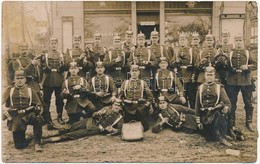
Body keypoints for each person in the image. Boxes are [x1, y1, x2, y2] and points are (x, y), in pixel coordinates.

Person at [41, 99, 124, 144]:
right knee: (71, 127)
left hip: (94, 128)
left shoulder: (119, 118)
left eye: (118, 106)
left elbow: (120, 130)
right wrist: (98, 113)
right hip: (89, 121)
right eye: (115, 105)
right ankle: (48, 135)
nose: (116, 107)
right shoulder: (106, 109)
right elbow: (94, 114)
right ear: (112, 105)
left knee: (71, 135)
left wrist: (113, 130)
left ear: (120, 108)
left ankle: (48, 141)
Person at [2, 70, 44, 152]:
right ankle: (26, 139)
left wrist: (37, 109)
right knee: (19, 146)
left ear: (25, 79)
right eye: (17, 78)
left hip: (29, 114)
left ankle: (37, 143)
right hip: (16, 116)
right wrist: (5, 112)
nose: (20, 80)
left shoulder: (30, 90)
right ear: (14, 79)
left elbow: (38, 104)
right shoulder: (10, 90)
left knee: (38, 119)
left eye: (22, 78)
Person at [225, 33, 257, 132]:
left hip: (246, 81)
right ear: (234, 42)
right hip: (232, 81)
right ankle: (231, 122)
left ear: (243, 42)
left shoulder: (247, 53)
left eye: (240, 41)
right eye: (237, 41)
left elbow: (256, 65)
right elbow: (227, 67)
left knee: (248, 102)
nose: (238, 43)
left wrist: (248, 67)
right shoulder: (230, 53)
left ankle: (249, 122)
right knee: (232, 102)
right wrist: (232, 69)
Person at [195, 66, 232, 147]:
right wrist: (198, 121)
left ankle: (222, 138)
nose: (209, 77)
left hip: (215, 112)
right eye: (207, 75)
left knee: (218, 115)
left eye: (211, 75)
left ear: (214, 76)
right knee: (209, 138)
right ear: (204, 75)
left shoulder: (219, 87)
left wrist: (226, 108)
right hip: (205, 115)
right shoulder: (200, 88)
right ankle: (220, 135)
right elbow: (197, 106)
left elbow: (227, 103)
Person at [41, 37, 67, 129]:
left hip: (58, 78)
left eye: (55, 43)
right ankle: (46, 118)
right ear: (49, 44)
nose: (53, 45)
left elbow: (65, 67)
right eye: (52, 43)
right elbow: (42, 67)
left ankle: (59, 116)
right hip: (48, 78)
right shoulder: (46, 55)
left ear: (57, 44)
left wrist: (63, 69)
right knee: (46, 99)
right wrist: (44, 68)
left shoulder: (61, 55)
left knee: (59, 99)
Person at [119, 64, 153, 131]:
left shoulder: (143, 83)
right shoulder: (125, 83)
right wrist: (124, 104)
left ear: (139, 72)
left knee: (145, 127)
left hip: (140, 107)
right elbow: (120, 96)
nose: (134, 72)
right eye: (132, 71)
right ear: (130, 72)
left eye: (136, 71)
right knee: (127, 126)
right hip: (128, 108)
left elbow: (150, 96)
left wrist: (146, 105)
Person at [172, 32, 197, 108]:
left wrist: (193, 76)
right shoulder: (176, 51)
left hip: (189, 78)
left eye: (184, 39)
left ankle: (192, 115)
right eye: (180, 39)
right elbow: (171, 64)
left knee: (192, 98)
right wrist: (176, 62)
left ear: (187, 41)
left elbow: (196, 64)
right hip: (180, 78)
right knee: (182, 98)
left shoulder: (191, 51)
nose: (182, 41)